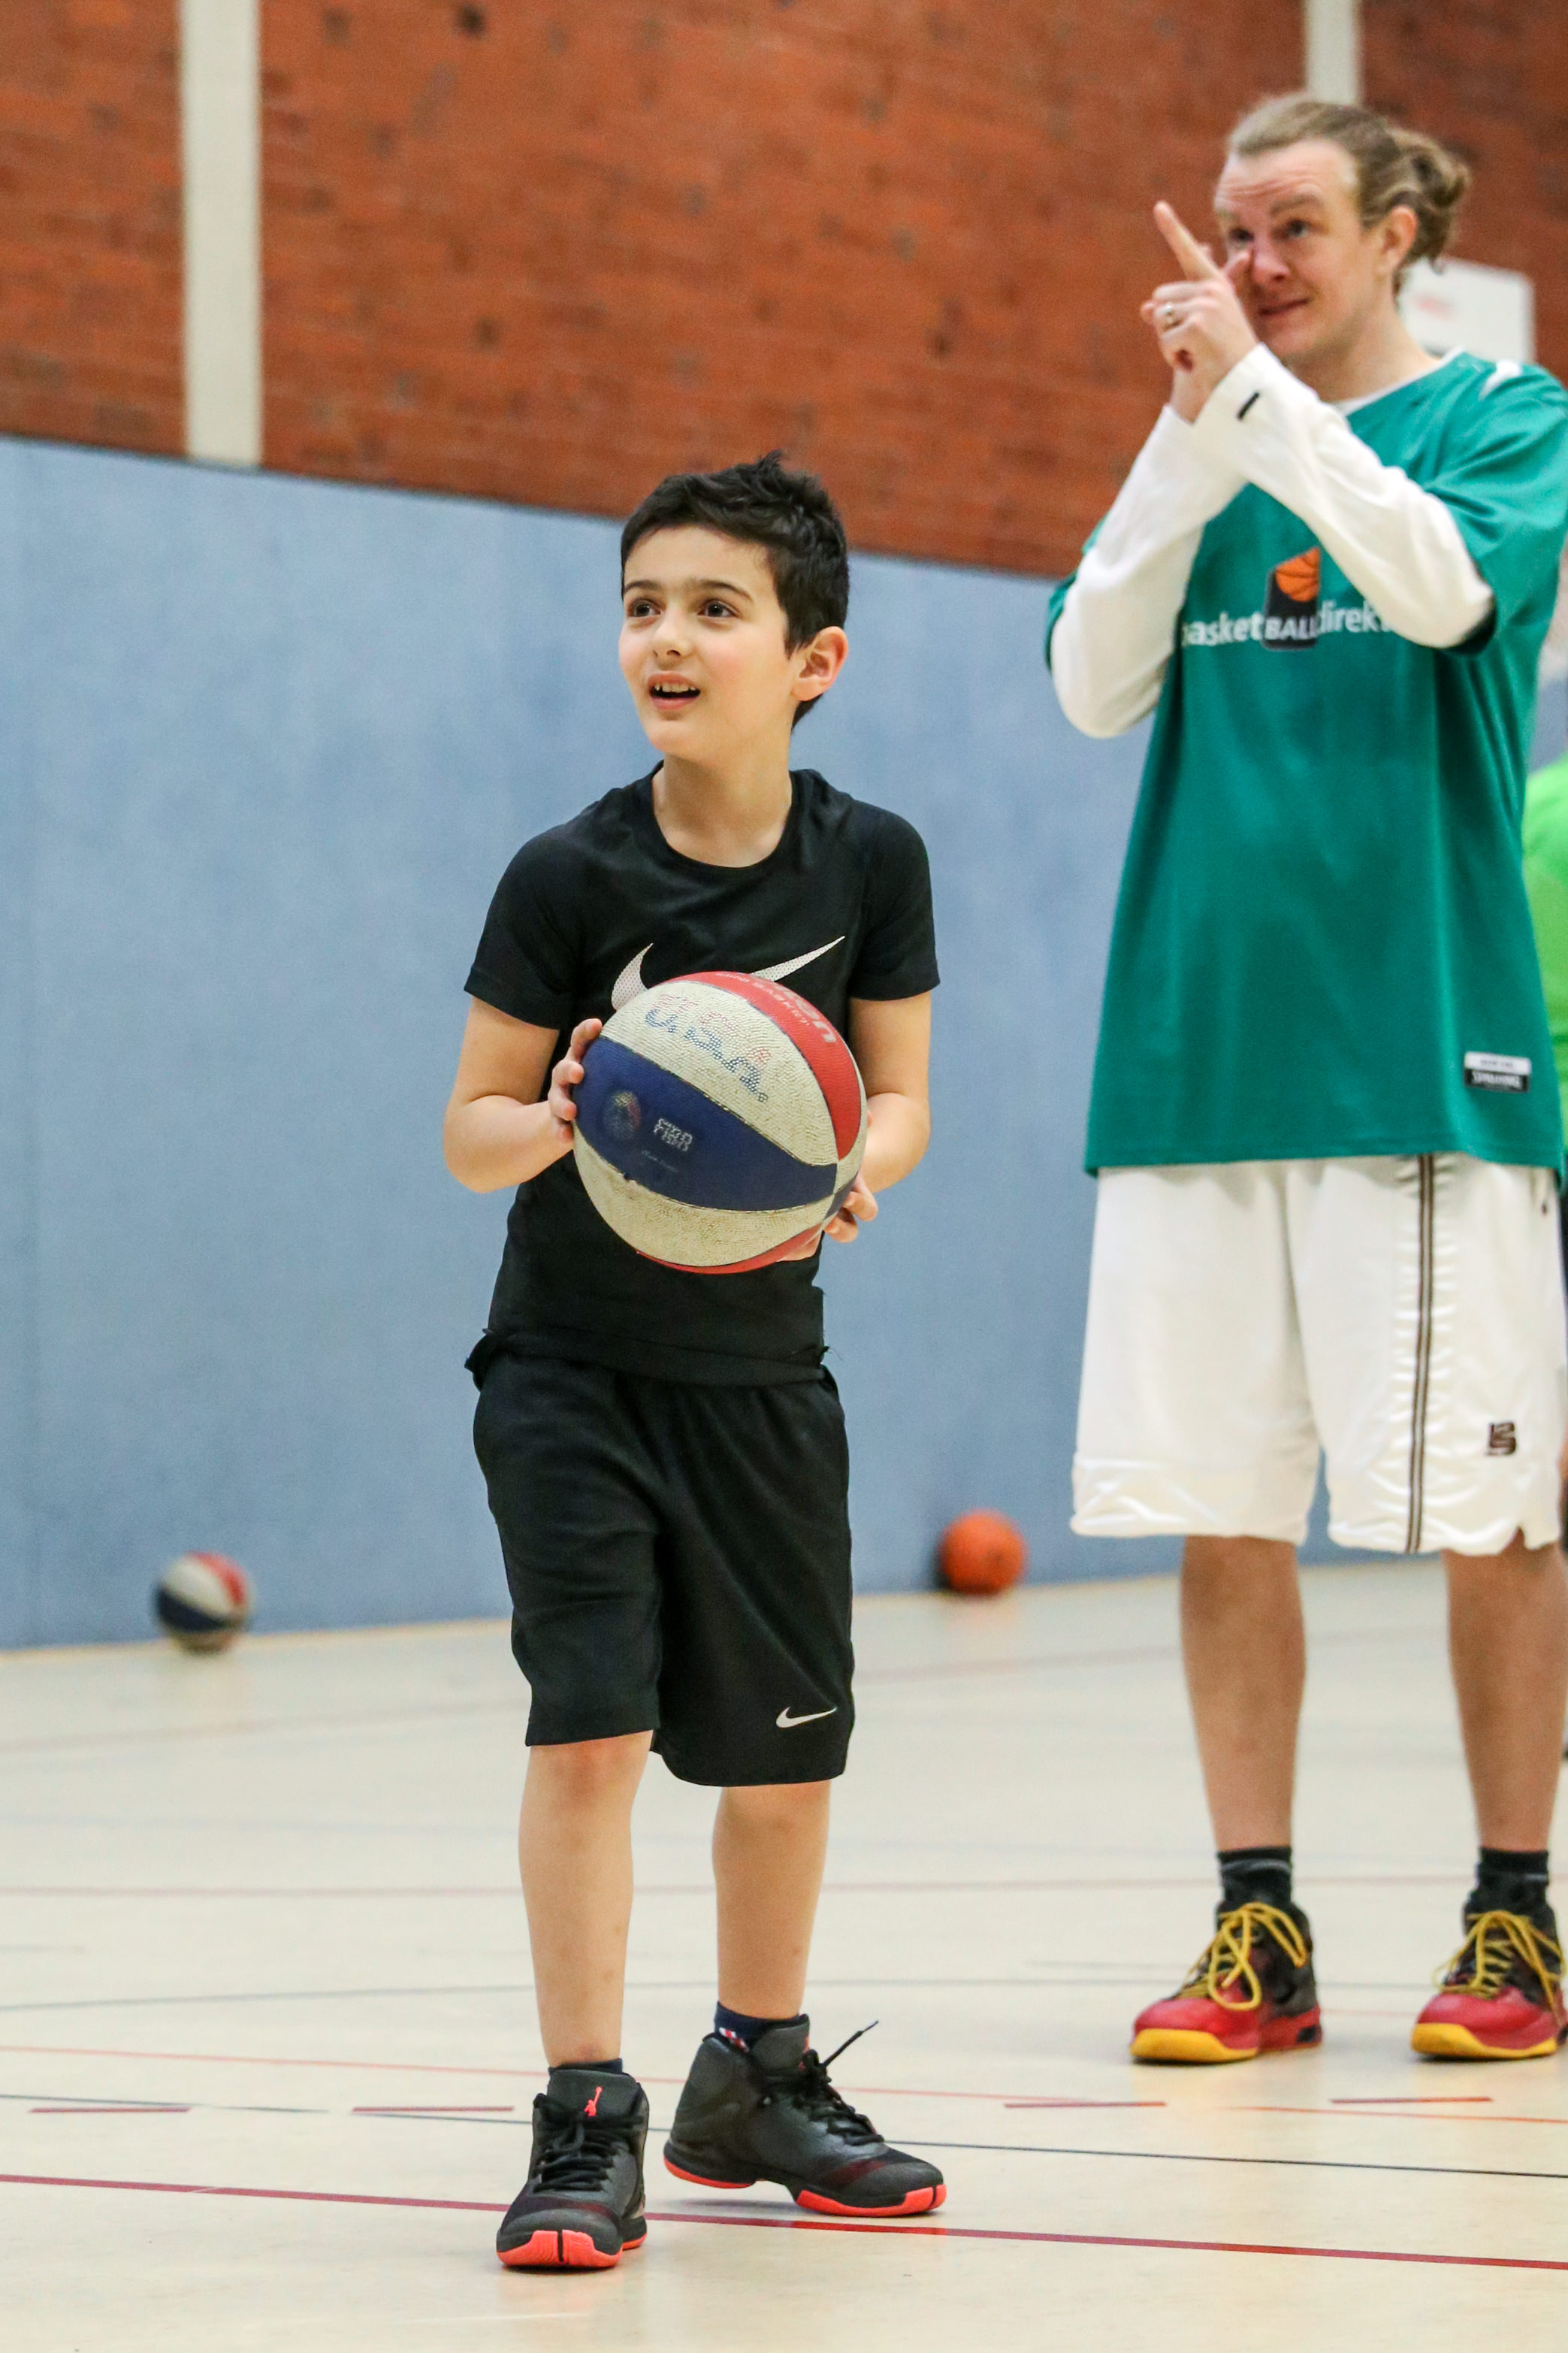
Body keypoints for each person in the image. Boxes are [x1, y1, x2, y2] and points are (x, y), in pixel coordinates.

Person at [1047, 94, 1568, 2065]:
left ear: (1399, 233)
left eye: (1292, 229)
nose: (1249, 266)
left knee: (1490, 1513)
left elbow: (1440, 592)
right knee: (1222, 1504)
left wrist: (1255, 406)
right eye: (1231, 232)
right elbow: (1089, 678)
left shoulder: (1507, 420)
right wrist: (1195, 438)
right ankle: (1254, 1924)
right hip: (1197, 1062)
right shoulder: (1209, 445)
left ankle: (1516, 1917)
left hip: (1421, 1056)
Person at [443, 453, 944, 2269]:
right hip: (571, 1372)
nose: (667, 638)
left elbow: (901, 1098)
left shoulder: (870, 860)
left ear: (813, 659)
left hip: (763, 1381)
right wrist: (561, 1112)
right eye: (643, 605)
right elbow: (469, 1132)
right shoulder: (568, 872)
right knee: (592, 1738)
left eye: (715, 609)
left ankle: (759, 2076)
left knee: (785, 1762)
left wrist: (851, 1174)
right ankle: (587, 2116)